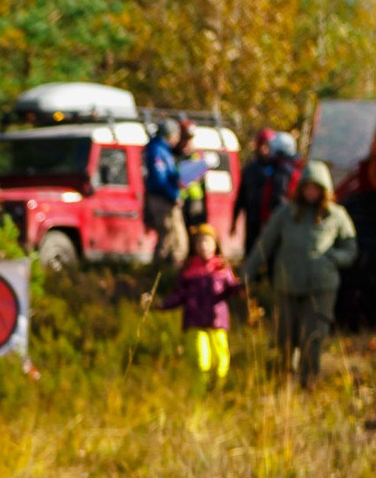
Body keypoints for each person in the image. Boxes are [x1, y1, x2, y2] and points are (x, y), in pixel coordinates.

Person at [240, 159, 358, 387]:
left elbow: (350, 248)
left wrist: (333, 259)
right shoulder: (286, 213)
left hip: (321, 286)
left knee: (312, 336)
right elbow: (265, 244)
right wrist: (247, 273)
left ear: (324, 189)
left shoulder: (336, 215)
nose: (311, 192)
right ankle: (285, 380)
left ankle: (309, 381)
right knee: (286, 336)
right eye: (307, 187)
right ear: (300, 187)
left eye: (316, 188)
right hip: (287, 284)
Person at [156, 226, 246, 390]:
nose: (204, 246)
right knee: (201, 361)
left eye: (208, 242)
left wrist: (242, 288)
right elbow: (179, 295)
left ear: (215, 244)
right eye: (200, 242)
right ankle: (198, 398)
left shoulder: (222, 269)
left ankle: (217, 392)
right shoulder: (189, 270)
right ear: (195, 246)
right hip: (194, 323)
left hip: (217, 322)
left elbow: (232, 289)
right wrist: (163, 305)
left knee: (220, 361)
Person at [236, 130, 300, 252]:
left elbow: (278, 198)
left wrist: (272, 223)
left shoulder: (283, 171)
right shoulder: (282, 168)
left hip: (275, 223)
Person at [143, 119, 190, 265]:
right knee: (171, 238)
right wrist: (173, 195)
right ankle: (160, 276)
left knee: (174, 239)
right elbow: (159, 179)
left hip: (165, 198)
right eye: (176, 135)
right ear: (170, 135)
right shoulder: (157, 150)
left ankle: (168, 275)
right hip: (163, 200)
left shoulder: (162, 150)